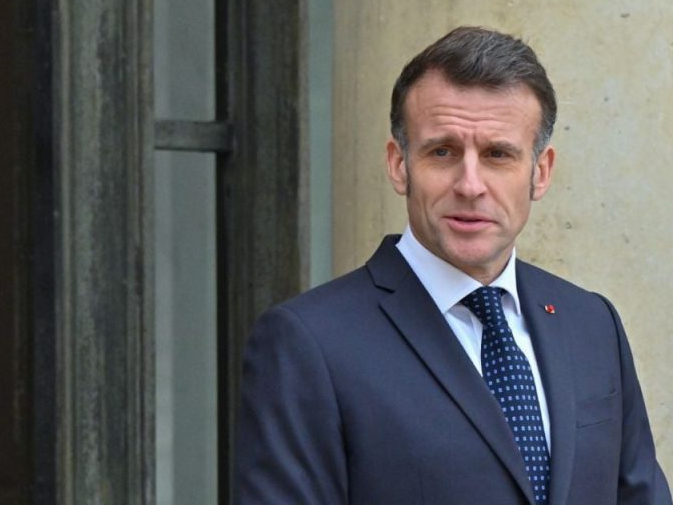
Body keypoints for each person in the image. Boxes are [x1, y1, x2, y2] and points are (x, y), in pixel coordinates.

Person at [234, 26, 672, 505]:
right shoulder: (308, 343)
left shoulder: (592, 324)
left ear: (540, 172)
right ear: (399, 164)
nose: (470, 185)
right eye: (442, 152)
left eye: (498, 155)